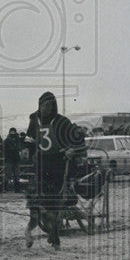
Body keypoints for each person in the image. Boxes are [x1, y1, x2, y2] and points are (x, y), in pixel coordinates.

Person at [23, 91, 85, 249]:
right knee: (38, 194)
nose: (47, 109)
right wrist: (25, 149)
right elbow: (29, 138)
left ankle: (55, 234)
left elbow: (76, 135)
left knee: (54, 200)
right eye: (44, 105)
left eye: (50, 106)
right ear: (39, 105)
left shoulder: (61, 121)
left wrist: (72, 149)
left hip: (57, 162)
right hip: (41, 162)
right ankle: (42, 218)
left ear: (54, 106)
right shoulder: (34, 119)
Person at [3, 127, 23, 193]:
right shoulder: (16, 140)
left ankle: (6, 188)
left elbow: (18, 148)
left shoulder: (8, 140)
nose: (12, 133)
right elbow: (19, 148)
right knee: (11, 174)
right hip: (12, 158)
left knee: (14, 174)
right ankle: (15, 188)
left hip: (11, 159)